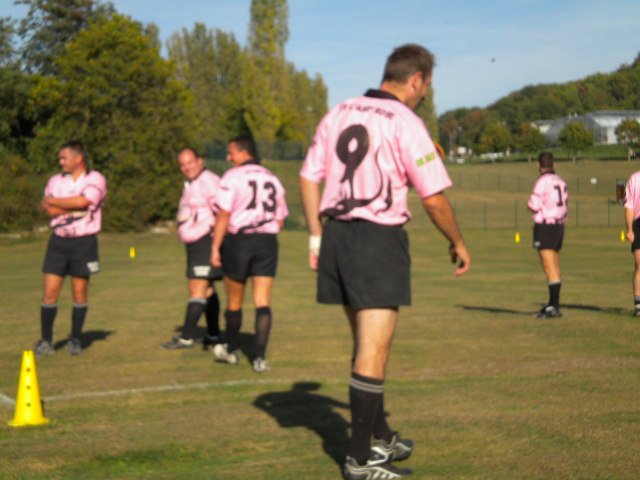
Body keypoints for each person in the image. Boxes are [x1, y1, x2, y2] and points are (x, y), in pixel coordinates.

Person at [299, 44, 471, 479]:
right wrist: (457, 241)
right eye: (426, 87)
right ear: (416, 79)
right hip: (376, 239)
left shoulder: (339, 111)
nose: (424, 95)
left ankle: (381, 436)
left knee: (366, 346)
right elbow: (433, 199)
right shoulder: (405, 121)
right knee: (373, 350)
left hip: (337, 236)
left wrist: (316, 236)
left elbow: (307, 176)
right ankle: (360, 461)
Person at [211, 136, 288, 373]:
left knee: (234, 300)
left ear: (244, 152)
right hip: (267, 242)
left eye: (231, 153)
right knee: (263, 300)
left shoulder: (232, 176)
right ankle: (260, 358)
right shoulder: (272, 177)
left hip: (240, 241)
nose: (228, 158)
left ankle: (232, 350)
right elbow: (280, 220)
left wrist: (215, 246)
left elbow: (224, 214)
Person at [34, 141, 107, 356]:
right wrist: (72, 204)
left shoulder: (95, 178)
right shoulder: (55, 181)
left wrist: (58, 202)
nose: (61, 162)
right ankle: (46, 341)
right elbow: (49, 208)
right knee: (49, 294)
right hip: (58, 242)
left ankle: (75, 339)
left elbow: (84, 202)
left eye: (64, 158)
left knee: (79, 293)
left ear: (78, 158)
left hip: (84, 243)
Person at [161, 148, 222, 350]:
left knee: (197, 287)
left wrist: (216, 240)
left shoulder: (208, 181)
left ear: (200, 161)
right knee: (207, 289)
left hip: (206, 240)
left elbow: (222, 210)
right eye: (183, 164)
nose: (187, 167)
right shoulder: (192, 182)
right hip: (196, 242)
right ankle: (213, 334)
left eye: (190, 162)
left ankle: (186, 337)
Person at [527, 151, 568, 319]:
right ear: (554, 164)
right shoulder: (561, 181)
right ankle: (552, 304)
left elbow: (533, 206)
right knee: (554, 265)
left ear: (538, 165)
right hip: (559, 226)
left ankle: (554, 307)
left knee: (549, 266)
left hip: (545, 226)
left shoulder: (542, 182)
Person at [623, 170, 640, 315]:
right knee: (639, 263)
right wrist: (629, 229)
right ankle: (638, 305)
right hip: (638, 223)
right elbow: (629, 206)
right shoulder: (635, 179)